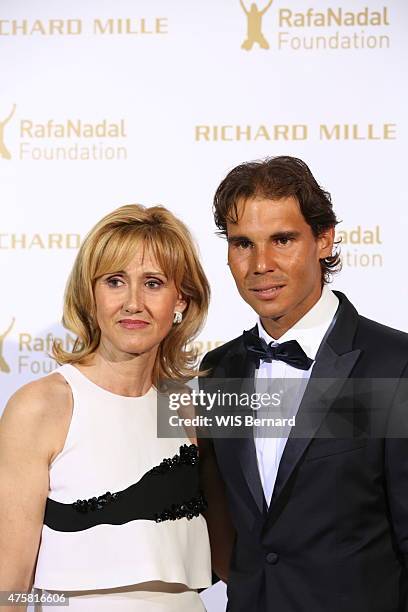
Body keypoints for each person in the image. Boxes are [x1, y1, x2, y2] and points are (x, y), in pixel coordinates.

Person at [200, 156, 408, 611]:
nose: (261, 264)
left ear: (324, 239)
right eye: (242, 244)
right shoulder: (217, 373)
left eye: (282, 239)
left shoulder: (394, 365)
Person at [0, 204, 228, 611]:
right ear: (90, 295)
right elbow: (8, 585)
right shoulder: (44, 407)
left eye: (153, 283)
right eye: (115, 281)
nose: (133, 303)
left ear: (183, 301)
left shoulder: (186, 409)